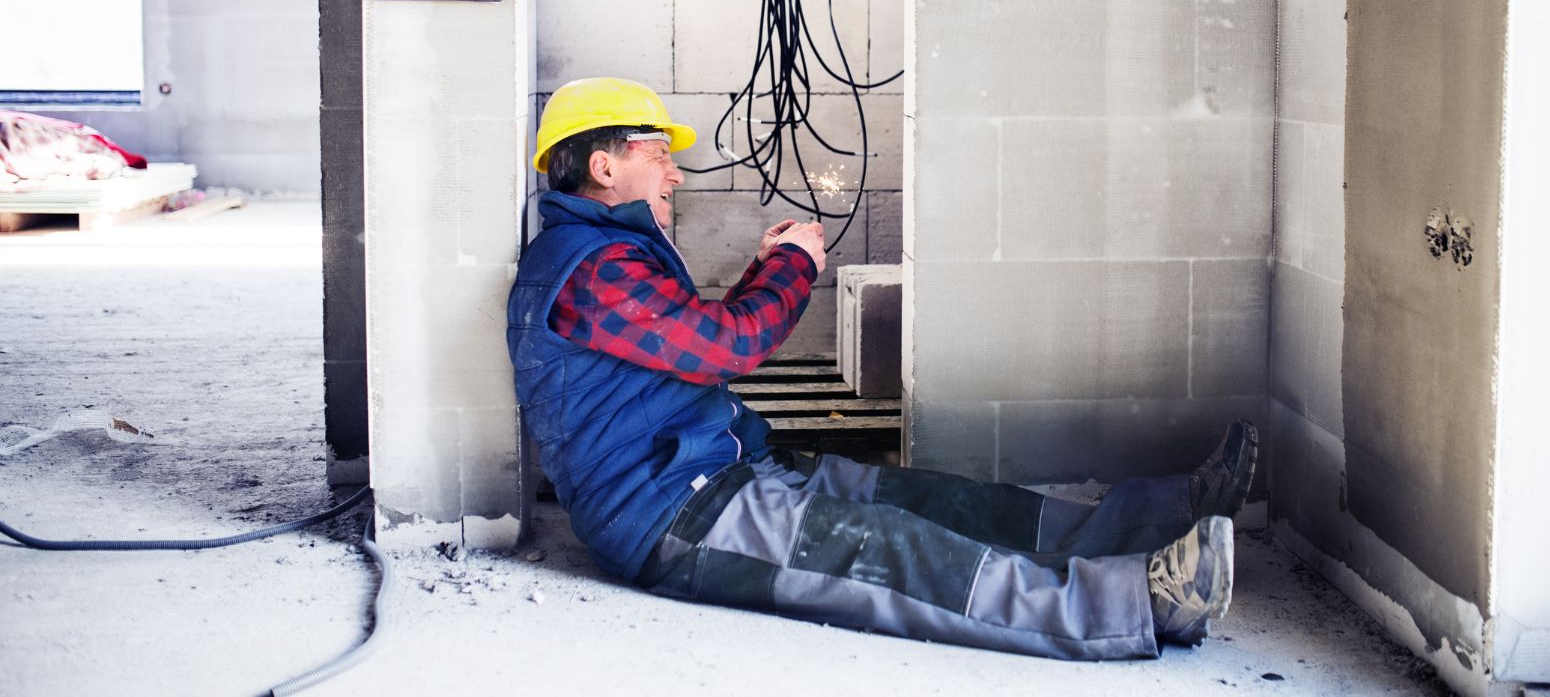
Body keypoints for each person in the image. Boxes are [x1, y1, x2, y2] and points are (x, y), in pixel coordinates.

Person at [507, 77, 1258, 659]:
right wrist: (796, 267)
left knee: (939, 502)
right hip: (672, 513)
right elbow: (730, 348)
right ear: (604, 165)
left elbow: (697, 348)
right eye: (658, 152)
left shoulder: (610, 256)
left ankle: (1165, 515)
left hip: (726, 469)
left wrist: (766, 269)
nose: (675, 173)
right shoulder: (584, 268)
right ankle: (1139, 604)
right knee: (897, 553)